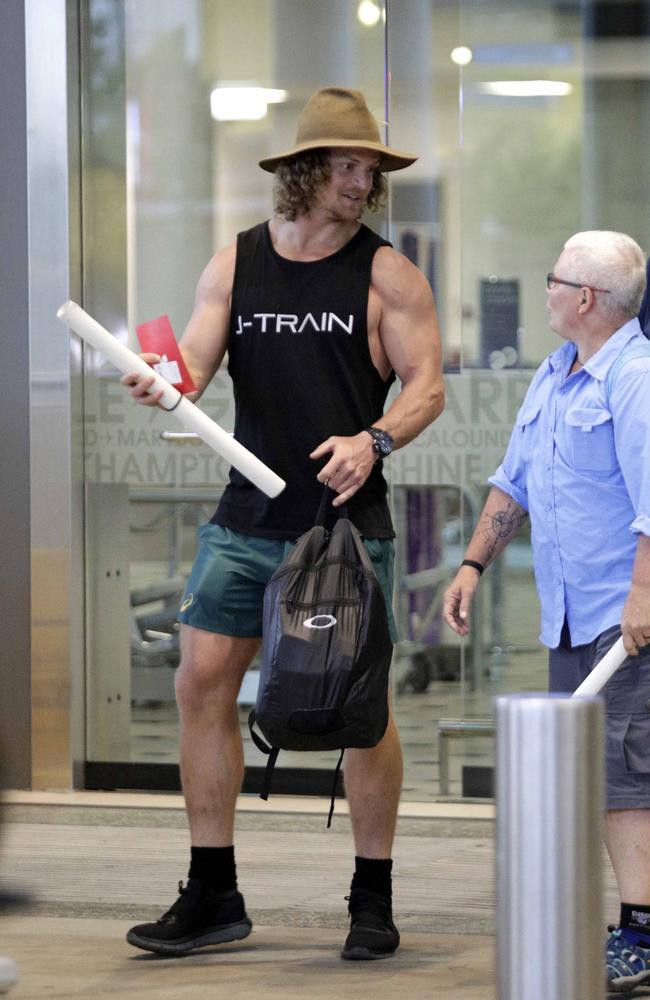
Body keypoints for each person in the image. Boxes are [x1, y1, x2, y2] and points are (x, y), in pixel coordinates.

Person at [122, 86, 444, 961]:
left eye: (370, 166)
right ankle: (214, 890)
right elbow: (190, 362)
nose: (362, 179)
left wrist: (373, 440)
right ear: (304, 171)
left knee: (360, 710)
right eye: (347, 163)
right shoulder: (236, 264)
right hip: (246, 516)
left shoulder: (387, 274)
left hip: (343, 527)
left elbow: (428, 388)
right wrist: (162, 378)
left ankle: (371, 899)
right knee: (200, 685)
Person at [443, 230, 650, 994]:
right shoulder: (558, 374)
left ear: (587, 298)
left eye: (557, 281)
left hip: (621, 622)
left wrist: (643, 597)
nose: (548, 292)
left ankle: (643, 932)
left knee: (627, 779)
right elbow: (515, 481)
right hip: (569, 615)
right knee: (602, 778)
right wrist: (471, 564)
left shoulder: (636, 378)